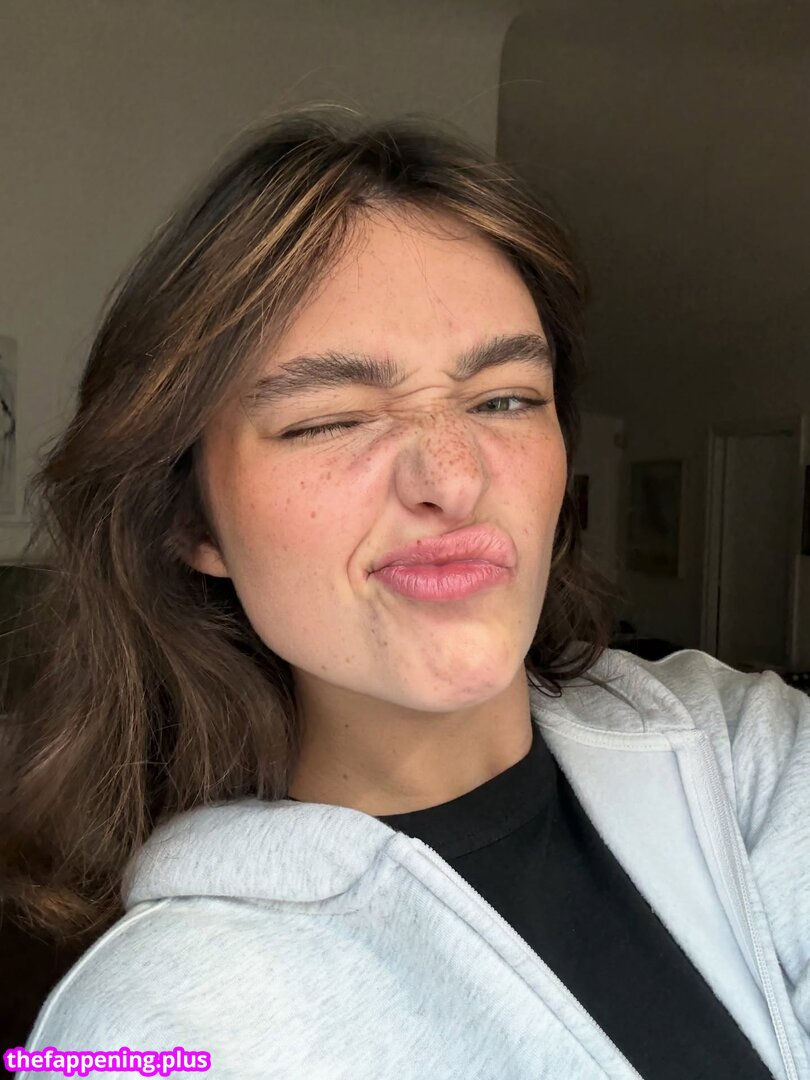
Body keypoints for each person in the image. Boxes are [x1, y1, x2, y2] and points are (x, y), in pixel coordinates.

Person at [1, 107, 807, 1080]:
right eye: (331, 419)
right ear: (191, 519)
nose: (454, 478)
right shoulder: (158, 1027)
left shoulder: (748, 755)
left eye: (505, 398)